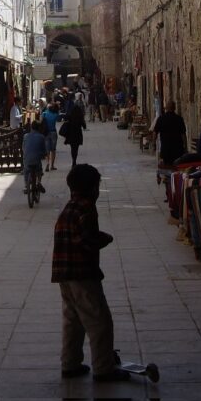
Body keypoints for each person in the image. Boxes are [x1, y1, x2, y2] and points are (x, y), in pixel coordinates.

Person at [51, 164, 130, 382]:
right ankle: (104, 368)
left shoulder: (69, 207)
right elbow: (85, 240)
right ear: (93, 188)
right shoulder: (86, 208)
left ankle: (70, 363)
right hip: (82, 273)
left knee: (73, 320)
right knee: (99, 321)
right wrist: (104, 239)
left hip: (64, 273)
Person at [153, 100, 187, 166]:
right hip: (178, 149)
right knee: (177, 167)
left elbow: (155, 132)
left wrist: (154, 144)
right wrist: (185, 146)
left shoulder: (161, 119)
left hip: (165, 149)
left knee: (167, 167)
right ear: (174, 108)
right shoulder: (179, 119)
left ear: (166, 108)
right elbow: (183, 134)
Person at [22, 120, 47, 195]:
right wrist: (43, 155)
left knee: (26, 170)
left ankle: (26, 186)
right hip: (36, 159)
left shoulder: (26, 136)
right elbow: (44, 150)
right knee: (39, 170)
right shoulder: (41, 137)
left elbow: (23, 148)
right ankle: (38, 182)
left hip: (27, 158)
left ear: (31, 127)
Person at [63, 101, 87, 167]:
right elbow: (84, 126)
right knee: (76, 148)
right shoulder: (80, 117)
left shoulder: (70, 116)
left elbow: (65, 119)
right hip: (78, 134)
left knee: (72, 148)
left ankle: (73, 160)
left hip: (71, 134)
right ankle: (74, 160)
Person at [42, 102, 61, 171]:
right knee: (53, 150)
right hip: (53, 132)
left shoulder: (44, 113)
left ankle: (47, 163)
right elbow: (59, 119)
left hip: (46, 133)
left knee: (47, 150)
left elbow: (41, 119)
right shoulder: (55, 115)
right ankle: (52, 165)